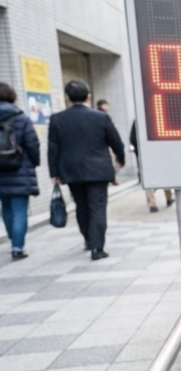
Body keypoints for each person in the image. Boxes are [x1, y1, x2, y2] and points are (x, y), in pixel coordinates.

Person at [49, 80, 125, 260]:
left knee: (81, 206)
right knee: (97, 207)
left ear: (67, 97)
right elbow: (116, 142)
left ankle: (89, 239)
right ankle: (97, 247)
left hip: (71, 170)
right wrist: (120, 160)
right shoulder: (101, 117)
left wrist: (54, 172)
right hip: (98, 170)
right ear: (89, 96)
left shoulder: (57, 119)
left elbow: (53, 148)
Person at [0, 83, 40, 260]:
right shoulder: (20, 117)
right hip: (19, 168)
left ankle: (13, 239)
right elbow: (32, 143)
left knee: (6, 207)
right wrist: (35, 162)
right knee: (19, 209)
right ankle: (17, 246)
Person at [129, 120, 174, 212]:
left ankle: (152, 203)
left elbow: (133, 139)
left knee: (149, 179)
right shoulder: (159, 118)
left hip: (145, 155)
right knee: (164, 176)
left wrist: (139, 152)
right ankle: (168, 198)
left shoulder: (138, 120)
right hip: (160, 154)